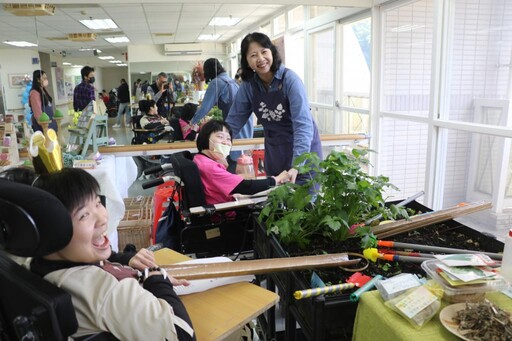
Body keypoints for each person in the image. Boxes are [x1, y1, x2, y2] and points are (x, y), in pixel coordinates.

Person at [15, 168, 195, 340]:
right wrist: (156, 278)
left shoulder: (32, 261)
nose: (103, 218)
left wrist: (126, 259)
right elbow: (183, 335)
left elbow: (103, 258)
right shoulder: (105, 292)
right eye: (84, 215)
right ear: (53, 231)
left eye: (98, 203)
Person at [226, 32, 323, 185]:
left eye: (264, 51)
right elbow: (234, 120)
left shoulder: (290, 80)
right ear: (246, 60)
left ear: (272, 52)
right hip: (275, 150)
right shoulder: (249, 85)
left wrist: (297, 165)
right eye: (253, 55)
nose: (260, 59)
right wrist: (219, 145)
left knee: (304, 203)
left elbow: (303, 125)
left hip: (303, 151)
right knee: (278, 201)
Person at [194, 120, 289, 205]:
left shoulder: (199, 159)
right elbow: (245, 187)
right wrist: (276, 179)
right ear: (205, 138)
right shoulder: (209, 167)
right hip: (226, 214)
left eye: (228, 138)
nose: (225, 142)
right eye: (220, 137)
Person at [188, 58, 253, 166]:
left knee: (234, 160)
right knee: (242, 160)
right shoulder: (231, 81)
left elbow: (205, 107)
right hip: (245, 123)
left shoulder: (217, 82)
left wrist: (191, 123)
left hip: (235, 124)